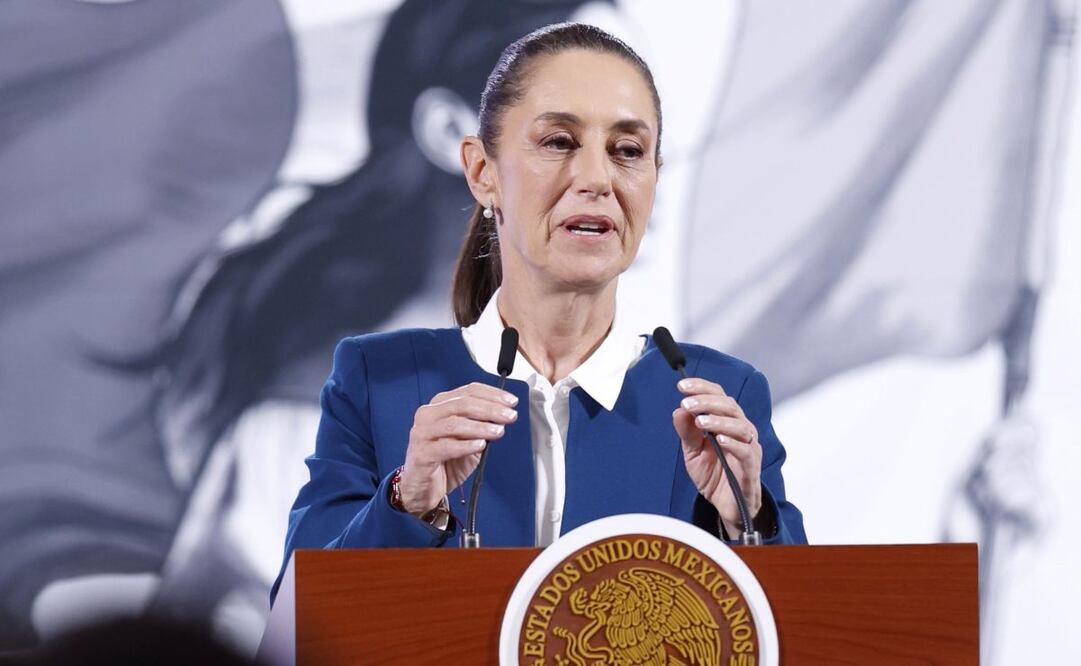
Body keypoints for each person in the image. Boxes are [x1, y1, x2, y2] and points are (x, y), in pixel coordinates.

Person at [273, 22, 806, 600]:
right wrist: (407, 503)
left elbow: (801, 631)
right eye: (559, 142)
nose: (598, 179)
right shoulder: (379, 380)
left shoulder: (717, 396)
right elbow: (297, 624)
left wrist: (748, 521)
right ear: (483, 173)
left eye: (627, 151)